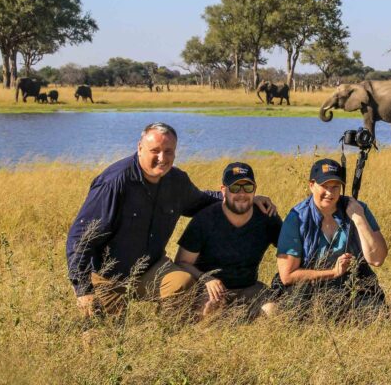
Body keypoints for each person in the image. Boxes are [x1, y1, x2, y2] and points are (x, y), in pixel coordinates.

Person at [66, 122, 276, 316]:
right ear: (140, 148)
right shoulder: (114, 183)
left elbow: (201, 201)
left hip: (151, 267)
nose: (162, 158)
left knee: (183, 282)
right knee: (104, 333)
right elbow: (80, 238)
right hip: (108, 274)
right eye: (154, 151)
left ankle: (168, 333)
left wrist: (242, 197)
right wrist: (83, 289)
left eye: (168, 151)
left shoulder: (176, 181)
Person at [274, 158, 388, 310]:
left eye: (335, 186)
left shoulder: (357, 208)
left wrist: (359, 219)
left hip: (351, 283)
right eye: (324, 186)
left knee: (376, 311)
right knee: (295, 310)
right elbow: (287, 275)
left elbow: (377, 260)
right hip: (311, 286)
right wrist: (333, 272)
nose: (330, 192)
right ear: (311, 185)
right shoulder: (297, 218)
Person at [174, 162, 282, 318]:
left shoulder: (266, 216)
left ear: (255, 190)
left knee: (273, 312)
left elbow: (290, 251)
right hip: (211, 289)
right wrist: (207, 279)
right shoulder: (205, 219)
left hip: (249, 287)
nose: (242, 193)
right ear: (223, 190)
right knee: (209, 313)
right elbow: (182, 262)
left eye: (248, 187)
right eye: (235, 188)